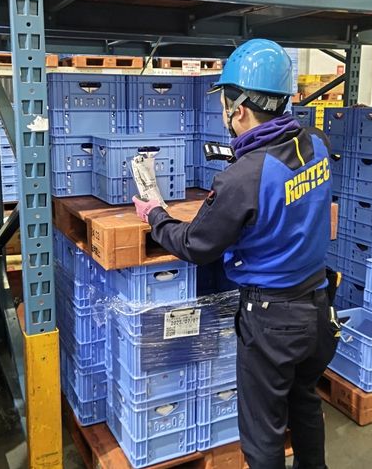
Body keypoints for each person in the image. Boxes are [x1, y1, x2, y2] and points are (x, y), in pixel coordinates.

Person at [133, 39, 339, 469]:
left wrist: (155, 215)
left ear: (239, 109)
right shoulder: (316, 144)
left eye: (224, 106)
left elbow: (196, 244)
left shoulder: (243, 178)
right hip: (318, 307)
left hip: (273, 322)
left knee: (263, 434)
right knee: (303, 403)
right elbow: (283, 188)